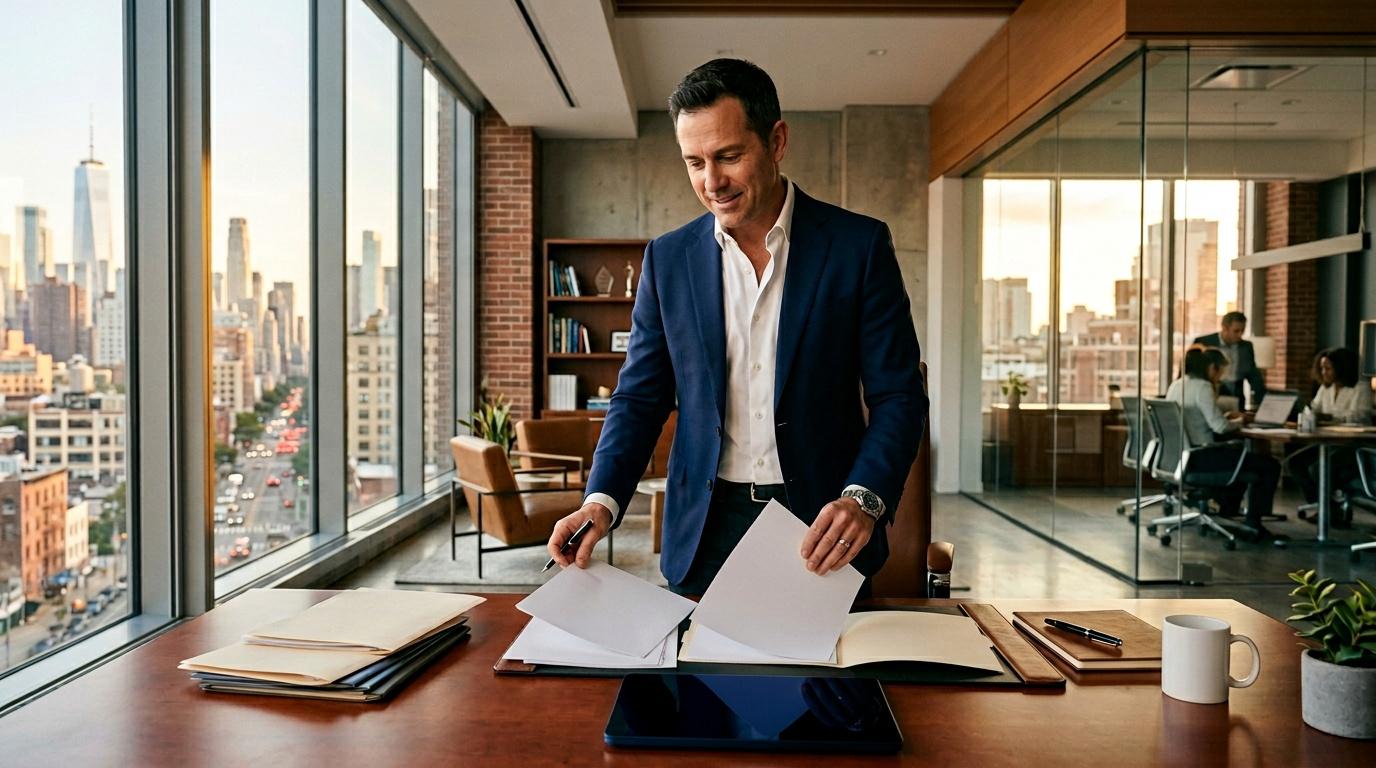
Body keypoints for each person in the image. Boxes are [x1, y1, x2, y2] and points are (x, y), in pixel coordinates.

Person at [545, 58, 928, 594]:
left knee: (825, 681)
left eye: (728, 156)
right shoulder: (668, 259)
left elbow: (899, 396)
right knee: (701, 679)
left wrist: (863, 499)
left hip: (822, 524)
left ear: (776, 141)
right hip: (705, 529)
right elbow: (639, 398)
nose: (711, 182)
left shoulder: (857, 248)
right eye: (694, 162)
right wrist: (600, 500)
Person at [1165, 346, 1284, 542]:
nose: (1221, 377)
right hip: (1202, 457)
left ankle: (1227, 509)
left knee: (1241, 457)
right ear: (1212, 368)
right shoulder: (1203, 387)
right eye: (1221, 371)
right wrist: (1241, 421)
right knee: (1269, 465)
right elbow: (1220, 427)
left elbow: (1204, 420)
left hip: (1183, 456)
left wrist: (1225, 418)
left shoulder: (1177, 385)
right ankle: (1253, 522)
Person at [1288, 347, 1372, 522]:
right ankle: (1323, 505)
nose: (1324, 372)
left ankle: (1329, 511)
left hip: (1352, 444)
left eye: (1328, 368)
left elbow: (1361, 415)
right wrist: (1311, 415)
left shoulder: (1360, 387)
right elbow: (1314, 408)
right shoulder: (1325, 388)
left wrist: (1331, 417)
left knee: (1319, 467)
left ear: (1342, 368)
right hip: (1328, 441)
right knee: (1294, 463)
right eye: (1322, 368)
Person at [1194, 312, 1266, 411]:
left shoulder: (1246, 346)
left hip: (1237, 395)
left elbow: (1253, 375)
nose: (1240, 335)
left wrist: (1263, 401)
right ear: (1224, 328)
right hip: (1212, 394)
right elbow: (1194, 370)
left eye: (1242, 331)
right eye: (1236, 331)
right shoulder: (1204, 342)